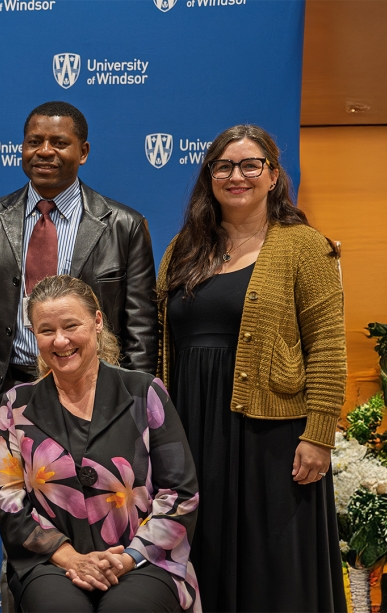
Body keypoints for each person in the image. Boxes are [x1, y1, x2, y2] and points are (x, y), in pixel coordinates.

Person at [158, 124, 346, 612]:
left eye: (249, 165)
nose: (236, 175)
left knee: (276, 562)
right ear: (209, 176)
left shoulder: (304, 245)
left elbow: (327, 346)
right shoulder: (184, 249)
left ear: (272, 175)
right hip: (194, 426)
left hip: (275, 434)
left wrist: (319, 434)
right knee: (204, 553)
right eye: (223, 166)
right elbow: (165, 343)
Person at [0, 275, 199, 612]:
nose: (60, 341)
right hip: (51, 564)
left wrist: (129, 558)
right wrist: (71, 558)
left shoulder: (145, 392)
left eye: (71, 325)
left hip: (145, 560)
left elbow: (180, 494)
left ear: (97, 322)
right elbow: (8, 500)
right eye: (46, 330)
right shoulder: (15, 406)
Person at [0, 101, 157, 422]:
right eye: (34, 142)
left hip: (92, 391)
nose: (44, 151)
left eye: (59, 143)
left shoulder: (123, 225)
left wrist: (130, 397)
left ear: (84, 151)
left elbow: (141, 325)